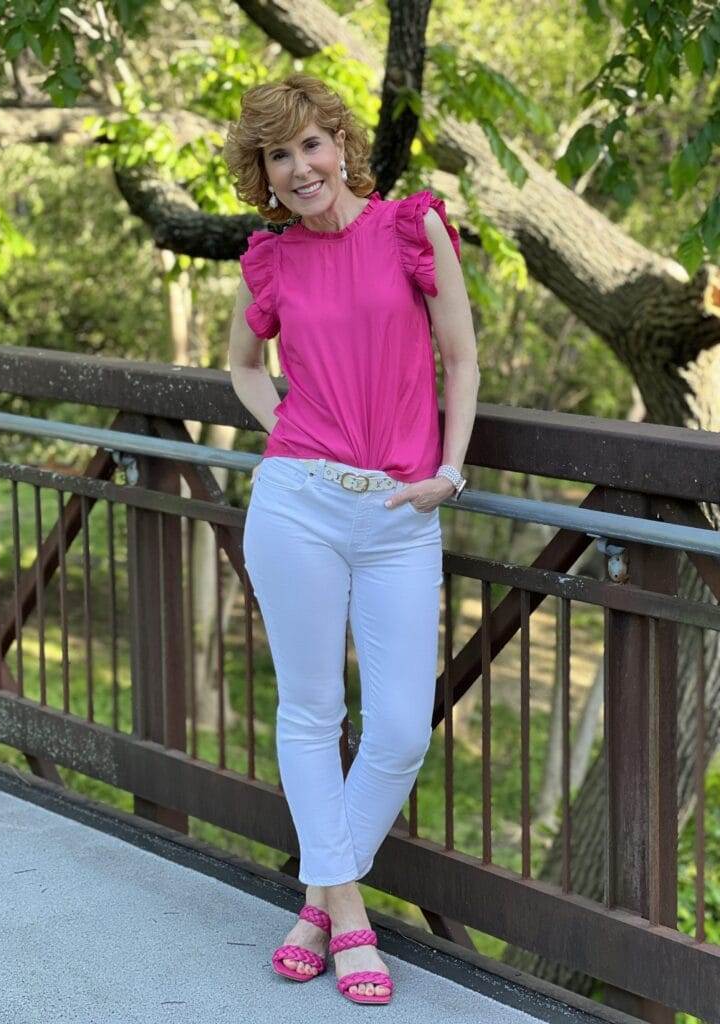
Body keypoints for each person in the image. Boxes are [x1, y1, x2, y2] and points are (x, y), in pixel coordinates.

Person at [225, 73, 479, 1006]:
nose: (299, 168)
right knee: (310, 711)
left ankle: (317, 900)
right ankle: (353, 920)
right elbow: (244, 368)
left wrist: (450, 471)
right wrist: (287, 424)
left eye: (311, 145)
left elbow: (460, 357)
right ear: (264, 173)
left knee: (404, 728)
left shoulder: (414, 228)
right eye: (277, 156)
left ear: (342, 143)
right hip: (298, 501)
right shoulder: (273, 259)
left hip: (404, 511)